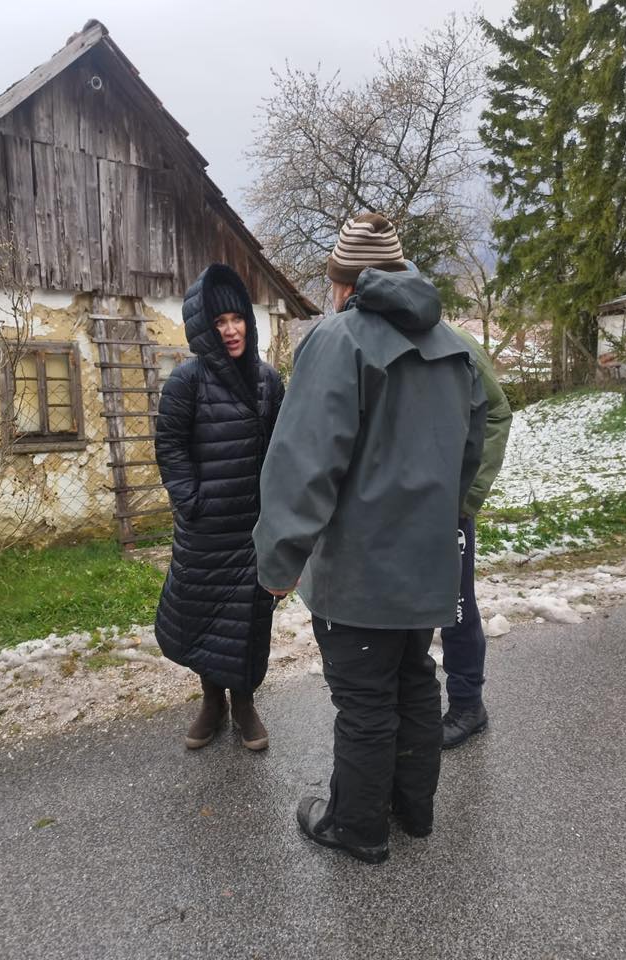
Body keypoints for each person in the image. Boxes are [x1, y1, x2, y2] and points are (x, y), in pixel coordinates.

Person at [253, 213, 487, 864]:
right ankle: (414, 811)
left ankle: (356, 827)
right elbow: (471, 447)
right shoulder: (453, 344)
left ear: (343, 284)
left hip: (360, 571)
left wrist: (278, 560)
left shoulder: (339, 340)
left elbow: (304, 461)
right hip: (427, 562)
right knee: (414, 680)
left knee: (364, 699)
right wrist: (443, 515)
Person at [154, 263, 284, 752]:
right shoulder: (186, 381)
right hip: (205, 531)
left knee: (249, 622)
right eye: (219, 322)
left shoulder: (268, 381)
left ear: (248, 321)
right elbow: (170, 446)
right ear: (204, 329)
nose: (230, 330)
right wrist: (191, 502)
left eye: (237, 319)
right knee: (203, 618)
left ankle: (245, 703)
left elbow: (282, 451)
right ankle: (212, 701)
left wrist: (279, 513)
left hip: (253, 530)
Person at [439, 324, 512, 749]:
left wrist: (467, 497)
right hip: (395, 515)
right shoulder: (369, 340)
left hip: (450, 508)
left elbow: (497, 413)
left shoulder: (456, 343)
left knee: (457, 607)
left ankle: (468, 705)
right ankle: (409, 708)